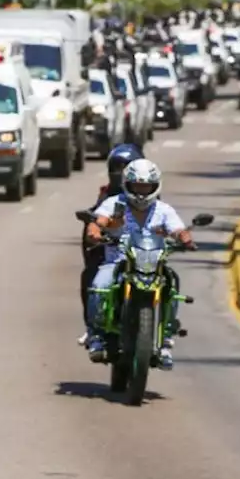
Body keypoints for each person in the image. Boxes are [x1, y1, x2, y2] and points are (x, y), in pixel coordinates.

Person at [82, 158, 197, 370]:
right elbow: (98, 222)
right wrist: (95, 233)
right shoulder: (114, 204)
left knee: (172, 283)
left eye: (146, 186)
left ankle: (166, 340)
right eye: (137, 186)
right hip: (117, 263)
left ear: (155, 186)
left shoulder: (164, 209)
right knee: (99, 286)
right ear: (128, 184)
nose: (142, 191)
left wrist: (185, 238)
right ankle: (96, 334)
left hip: (153, 266)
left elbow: (178, 229)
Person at [78, 143, 143, 346]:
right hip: (110, 252)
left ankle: (164, 334)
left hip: (142, 256)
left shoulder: (149, 193)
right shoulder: (107, 195)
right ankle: (93, 328)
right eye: (116, 168)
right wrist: (94, 233)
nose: (121, 173)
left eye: (126, 167)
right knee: (91, 277)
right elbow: (95, 221)